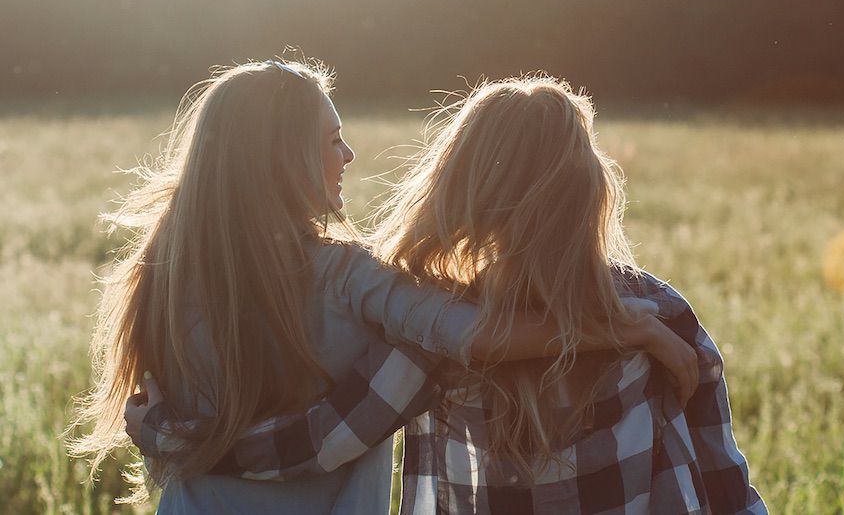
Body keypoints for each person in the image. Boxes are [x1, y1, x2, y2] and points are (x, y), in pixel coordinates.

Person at [71, 60, 697, 513]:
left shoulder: (159, 275)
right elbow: (472, 340)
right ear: (278, 158)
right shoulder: (348, 279)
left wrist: (175, 442)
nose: (348, 155)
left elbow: (273, 440)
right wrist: (633, 325)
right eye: (331, 140)